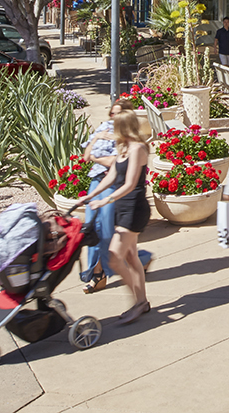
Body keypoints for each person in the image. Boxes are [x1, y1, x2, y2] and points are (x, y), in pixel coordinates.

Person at [80, 110, 153, 323]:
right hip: (122, 208)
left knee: (114, 257)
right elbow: (111, 177)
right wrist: (90, 195)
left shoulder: (138, 149)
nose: (111, 131)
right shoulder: (123, 149)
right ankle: (143, 302)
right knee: (131, 257)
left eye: (115, 127)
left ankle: (138, 303)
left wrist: (105, 201)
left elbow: (130, 184)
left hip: (134, 209)